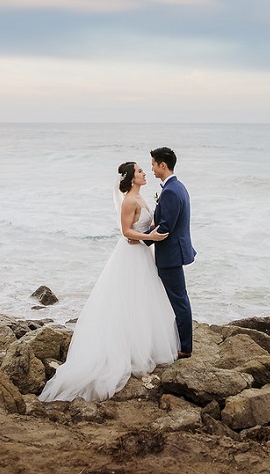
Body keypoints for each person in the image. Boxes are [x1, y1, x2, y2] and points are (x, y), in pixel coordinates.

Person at [38, 161, 180, 402]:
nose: (144, 172)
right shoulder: (129, 201)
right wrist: (150, 235)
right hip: (131, 255)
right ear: (131, 178)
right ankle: (124, 351)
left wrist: (154, 230)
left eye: (144, 170)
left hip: (142, 254)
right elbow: (126, 232)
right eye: (140, 171)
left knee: (142, 300)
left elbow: (144, 225)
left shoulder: (142, 198)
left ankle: (143, 345)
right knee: (126, 299)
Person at [148, 147, 196, 358]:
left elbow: (165, 227)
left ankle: (185, 347)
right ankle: (178, 340)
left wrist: (141, 239)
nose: (151, 169)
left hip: (170, 255)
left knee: (179, 300)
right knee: (178, 299)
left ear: (162, 165)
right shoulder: (178, 187)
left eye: (153, 165)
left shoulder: (170, 191)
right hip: (174, 252)